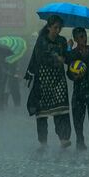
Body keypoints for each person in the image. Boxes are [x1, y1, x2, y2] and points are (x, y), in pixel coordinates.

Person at [25, 15, 72, 148]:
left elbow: (67, 59)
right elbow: (40, 59)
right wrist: (56, 59)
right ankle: (43, 141)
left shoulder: (62, 41)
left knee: (61, 109)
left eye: (59, 28)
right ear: (49, 26)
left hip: (58, 80)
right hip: (43, 80)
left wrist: (68, 48)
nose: (57, 30)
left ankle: (64, 138)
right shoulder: (41, 41)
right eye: (55, 27)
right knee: (42, 113)